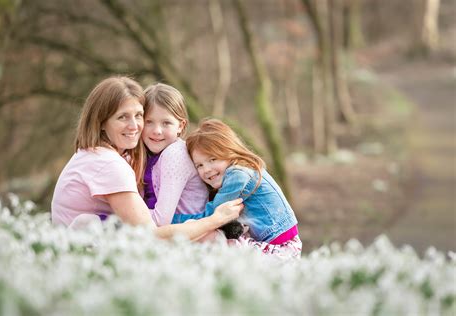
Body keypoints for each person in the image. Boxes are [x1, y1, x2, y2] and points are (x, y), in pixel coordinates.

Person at [51, 76, 243, 241]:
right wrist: (215, 220)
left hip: (78, 247)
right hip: (82, 250)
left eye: (138, 115)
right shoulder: (109, 164)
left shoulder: (94, 154)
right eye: (122, 117)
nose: (134, 125)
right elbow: (151, 235)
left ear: (181, 125)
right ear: (101, 122)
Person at [173, 118, 302, 257]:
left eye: (212, 159)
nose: (207, 170)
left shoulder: (238, 175)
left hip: (281, 249)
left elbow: (212, 217)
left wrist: (172, 221)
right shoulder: (239, 171)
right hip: (272, 241)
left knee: (205, 235)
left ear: (229, 151)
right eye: (199, 165)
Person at [140, 83, 209, 226]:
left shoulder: (175, 154)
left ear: (180, 126)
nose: (157, 130)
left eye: (166, 123)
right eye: (149, 122)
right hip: (164, 231)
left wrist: (124, 214)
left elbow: (161, 221)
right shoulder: (147, 154)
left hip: (189, 233)